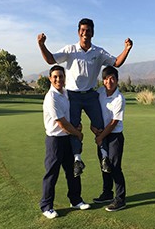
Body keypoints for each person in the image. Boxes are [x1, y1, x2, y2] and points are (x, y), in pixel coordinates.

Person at [37, 18, 133, 177]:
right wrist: (41, 45)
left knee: (99, 126)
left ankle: (104, 158)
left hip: (90, 95)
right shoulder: (70, 49)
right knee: (74, 128)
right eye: (82, 30)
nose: (85, 33)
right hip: (73, 95)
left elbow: (116, 63)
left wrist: (127, 49)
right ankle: (77, 160)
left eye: (88, 30)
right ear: (78, 32)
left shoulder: (99, 52)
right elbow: (50, 60)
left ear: (92, 32)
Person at [40, 65, 90, 219]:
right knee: (52, 174)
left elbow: (71, 116)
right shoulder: (51, 97)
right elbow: (61, 122)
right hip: (55, 140)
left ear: (64, 78)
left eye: (61, 76)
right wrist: (78, 133)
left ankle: (75, 200)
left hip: (67, 138)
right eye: (55, 77)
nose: (58, 79)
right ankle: (46, 206)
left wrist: (77, 126)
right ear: (50, 78)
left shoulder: (66, 93)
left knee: (73, 172)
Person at [92, 66, 127, 211]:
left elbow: (114, 123)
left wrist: (100, 137)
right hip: (101, 133)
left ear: (117, 80)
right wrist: (92, 126)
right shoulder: (99, 92)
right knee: (104, 165)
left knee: (114, 166)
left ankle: (120, 199)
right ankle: (107, 193)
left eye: (112, 78)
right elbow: (92, 108)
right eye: (106, 78)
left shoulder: (119, 98)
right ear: (103, 80)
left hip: (114, 137)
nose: (109, 81)